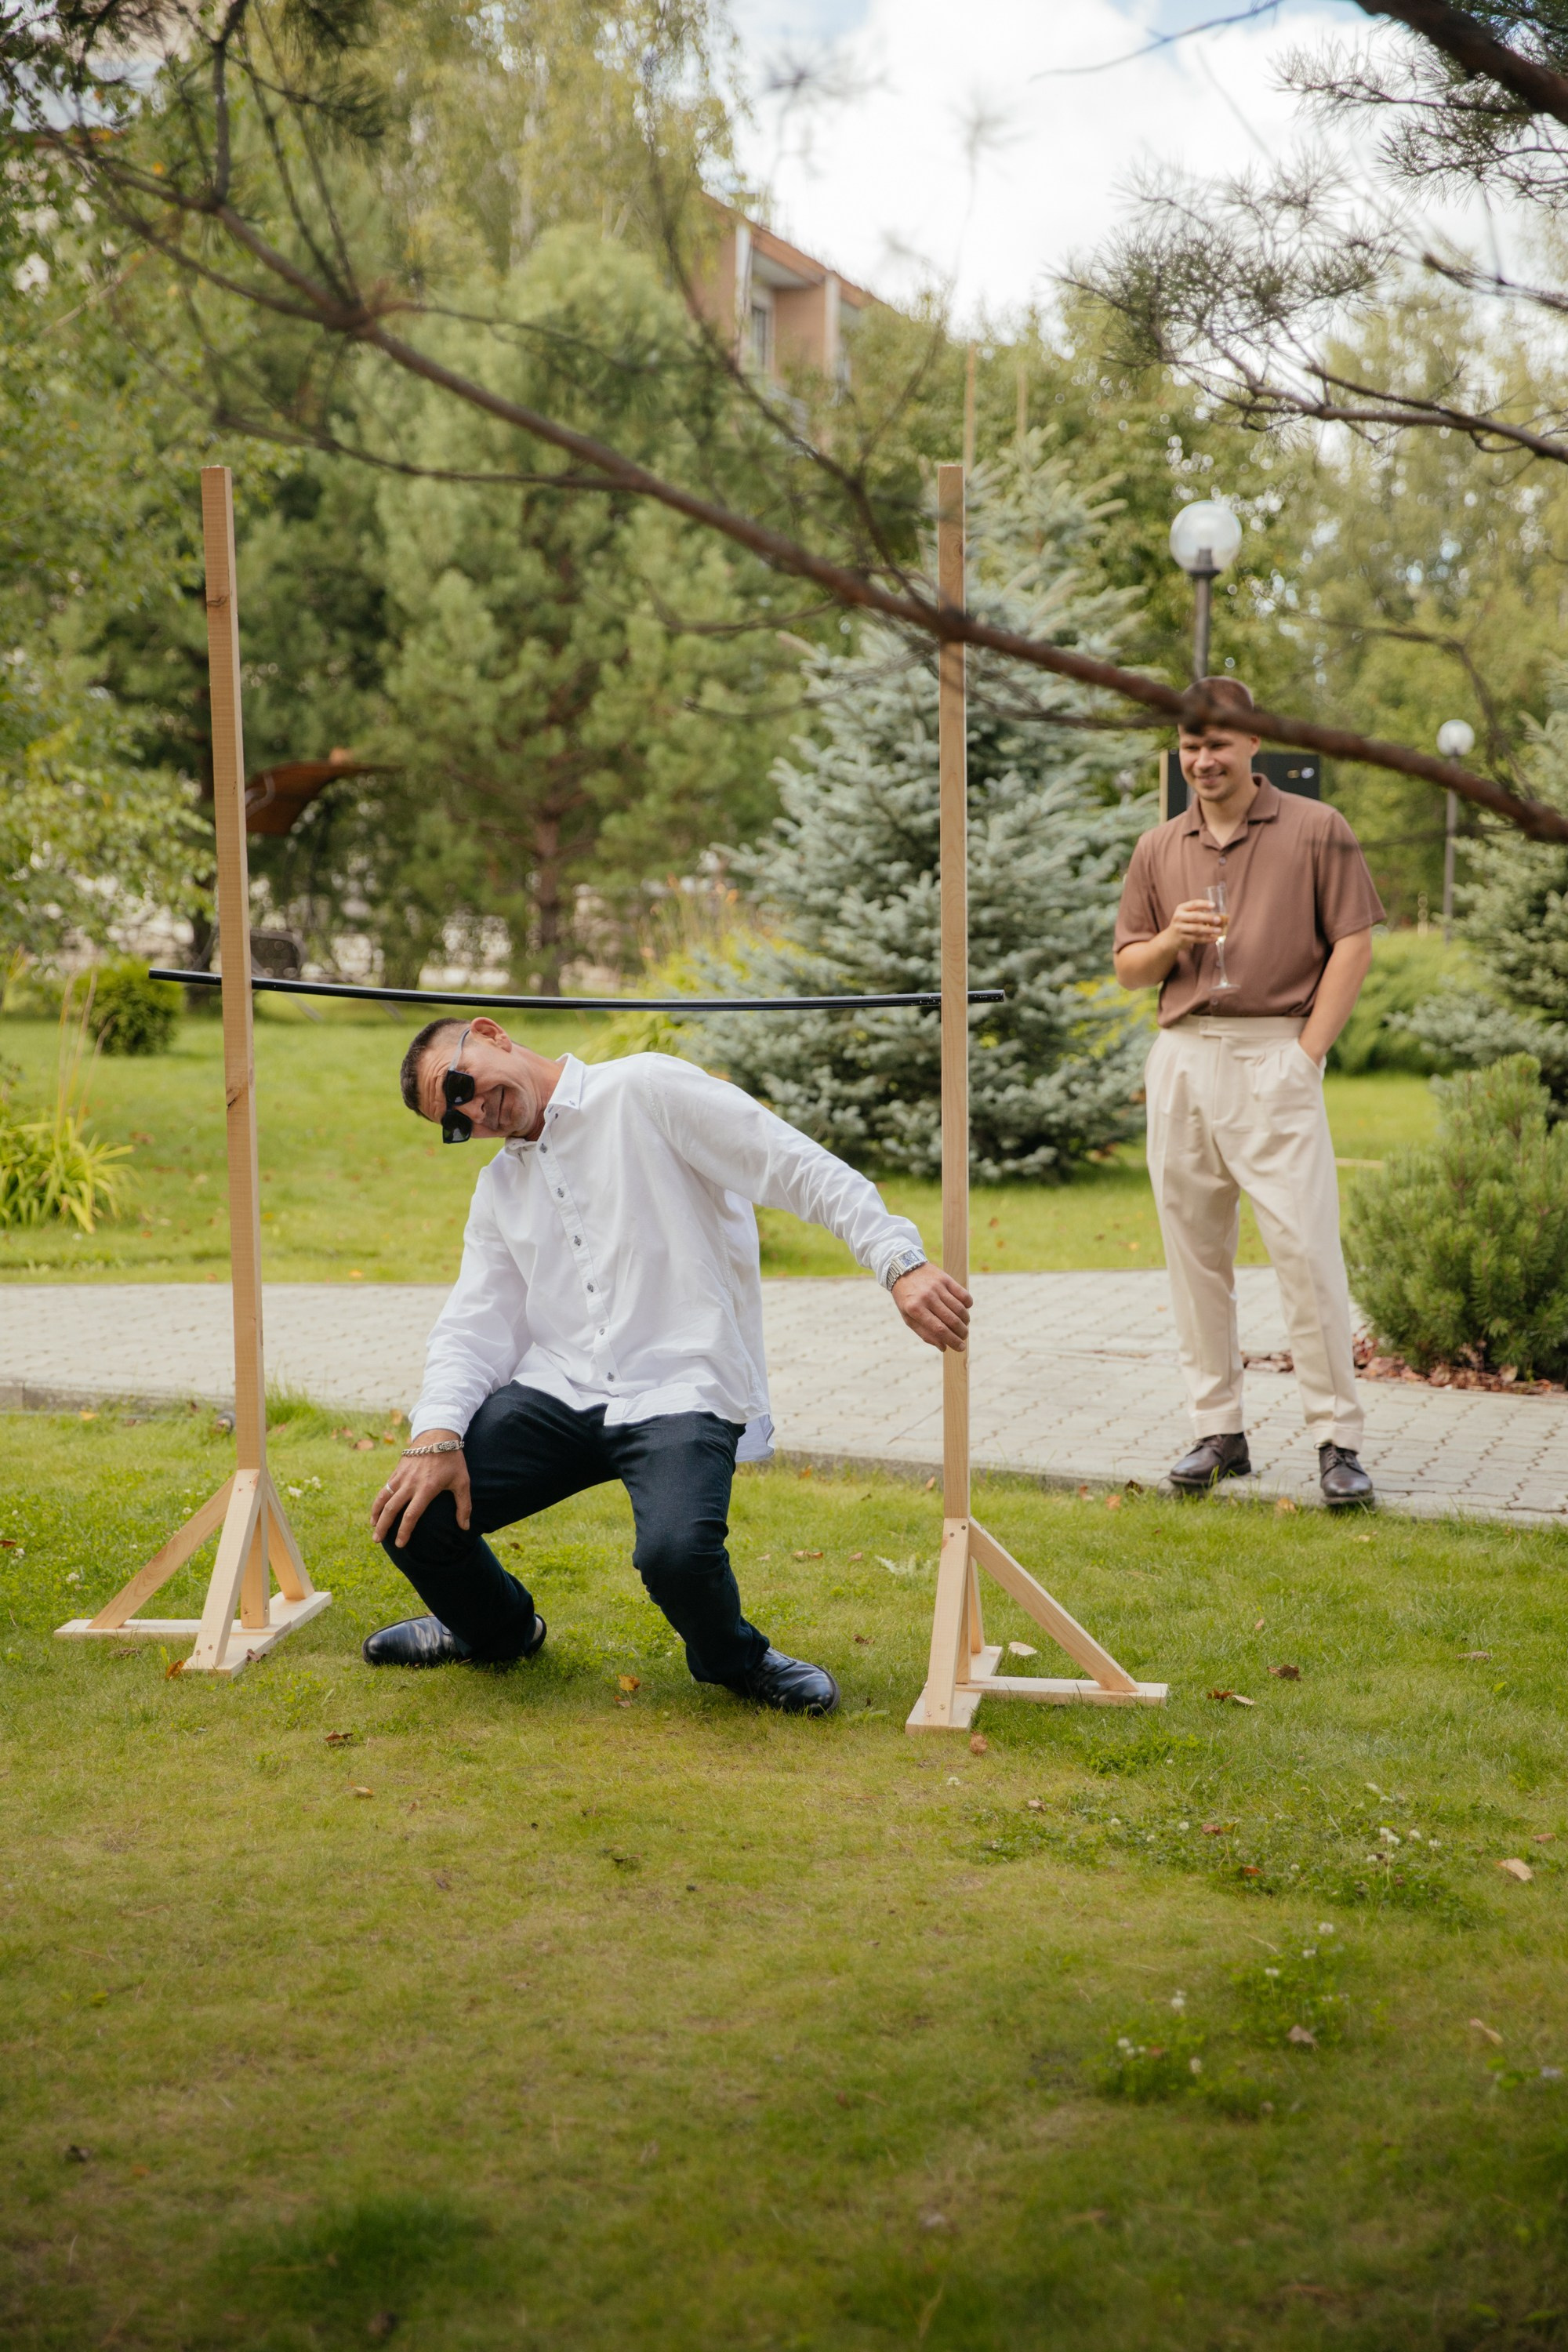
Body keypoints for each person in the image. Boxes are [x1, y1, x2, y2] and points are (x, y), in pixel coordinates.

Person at [363, 1015, 971, 1713]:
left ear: (492, 1035)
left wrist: (899, 1261)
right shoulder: (499, 1190)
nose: (474, 1112)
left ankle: (736, 1661)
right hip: (561, 1390)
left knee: (674, 1557)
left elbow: (791, 1163)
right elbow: (473, 1326)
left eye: (461, 1085)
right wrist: (437, 1431)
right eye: (455, 1122)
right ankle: (496, 1632)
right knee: (414, 1515)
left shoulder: (644, 1089)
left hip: (680, 1385)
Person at [1112, 677, 1384, 1507]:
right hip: (1183, 1058)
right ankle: (1217, 1429)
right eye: (1189, 748)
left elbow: (1353, 944)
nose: (1201, 761)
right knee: (1194, 1256)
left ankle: (1336, 1439)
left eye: (1216, 746)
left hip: (1276, 1054)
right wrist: (1169, 938)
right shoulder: (1158, 847)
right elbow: (1128, 965)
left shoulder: (1315, 830)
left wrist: (1304, 1057)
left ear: (1252, 741)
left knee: (1304, 1251)